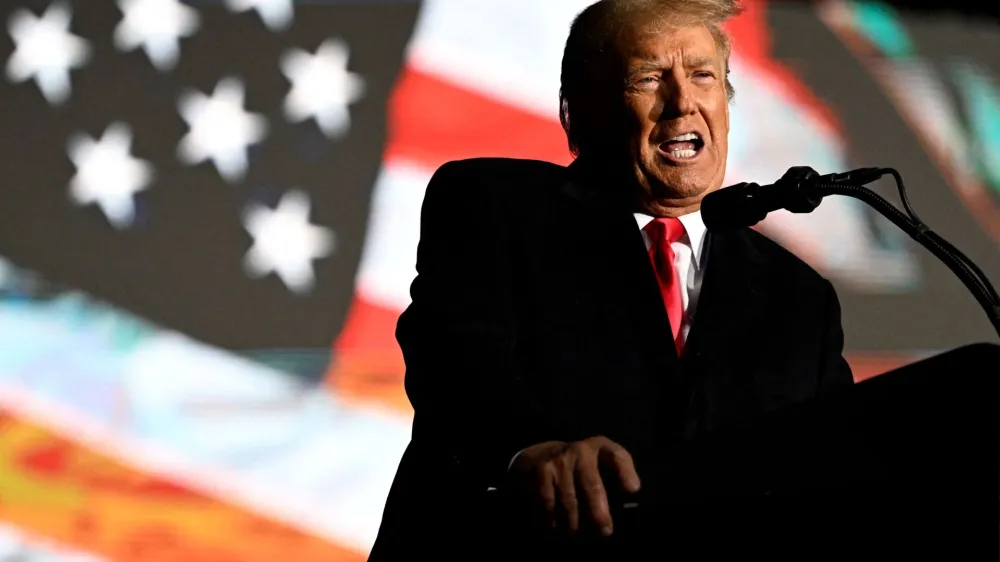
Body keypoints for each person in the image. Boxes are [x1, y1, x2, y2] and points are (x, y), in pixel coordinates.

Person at [369, 0, 853, 559]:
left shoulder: (799, 298)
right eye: (648, 78)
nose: (683, 102)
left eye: (703, 76)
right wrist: (527, 451)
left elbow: (834, 460)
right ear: (579, 110)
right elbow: (452, 359)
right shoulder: (495, 207)